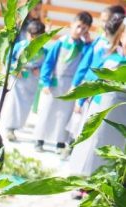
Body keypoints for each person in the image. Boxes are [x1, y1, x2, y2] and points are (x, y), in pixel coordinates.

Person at [68, 14, 126, 178]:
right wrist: (79, 101)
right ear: (121, 36)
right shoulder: (109, 58)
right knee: (92, 144)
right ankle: (82, 179)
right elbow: (90, 80)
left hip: (121, 118)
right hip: (99, 110)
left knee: (113, 149)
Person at [34, 11, 93, 155]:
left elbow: (86, 62)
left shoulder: (84, 47)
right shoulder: (61, 41)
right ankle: (39, 140)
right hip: (55, 82)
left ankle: (60, 142)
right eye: (78, 26)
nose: (80, 31)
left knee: (64, 115)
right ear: (72, 24)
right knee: (47, 111)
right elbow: (49, 63)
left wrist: (89, 42)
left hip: (70, 85)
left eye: (84, 29)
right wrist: (45, 81)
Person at [2, 19, 47, 141]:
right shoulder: (19, 46)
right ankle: (9, 128)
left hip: (32, 80)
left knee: (26, 105)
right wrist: (15, 69)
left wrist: (40, 69)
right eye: (31, 35)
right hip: (18, 78)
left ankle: (18, 126)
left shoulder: (44, 50)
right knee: (14, 103)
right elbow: (8, 59)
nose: (33, 39)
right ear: (27, 34)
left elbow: (47, 65)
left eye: (37, 37)